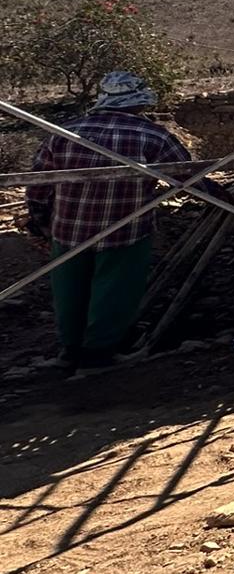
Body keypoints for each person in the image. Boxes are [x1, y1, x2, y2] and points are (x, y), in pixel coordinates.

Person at [25, 72, 200, 371]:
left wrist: (38, 218)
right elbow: (190, 179)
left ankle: (69, 349)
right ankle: (99, 354)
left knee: (69, 290)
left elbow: (39, 182)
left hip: (69, 229)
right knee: (116, 290)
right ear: (139, 102)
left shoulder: (65, 132)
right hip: (126, 229)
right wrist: (221, 195)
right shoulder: (154, 135)